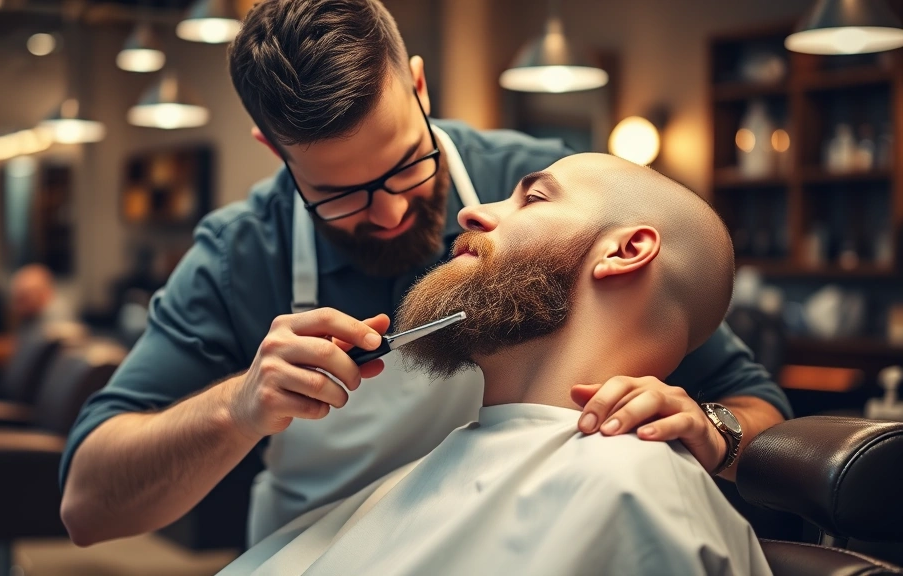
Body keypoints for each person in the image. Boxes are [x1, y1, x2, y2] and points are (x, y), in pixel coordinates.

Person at [58, 0, 791, 548]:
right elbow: (89, 505)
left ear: (418, 87)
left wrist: (714, 427)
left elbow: (757, 407)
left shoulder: (534, 193)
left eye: (406, 164)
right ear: (272, 148)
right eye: (341, 195)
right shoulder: (242, 252)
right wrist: (239, 408)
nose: (388, 213)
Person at [218, 153, 772, 576]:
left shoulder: (634, 492)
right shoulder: (449, 462)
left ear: (625, 252)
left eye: (533, 198)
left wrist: (719, 431)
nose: (471, 211)